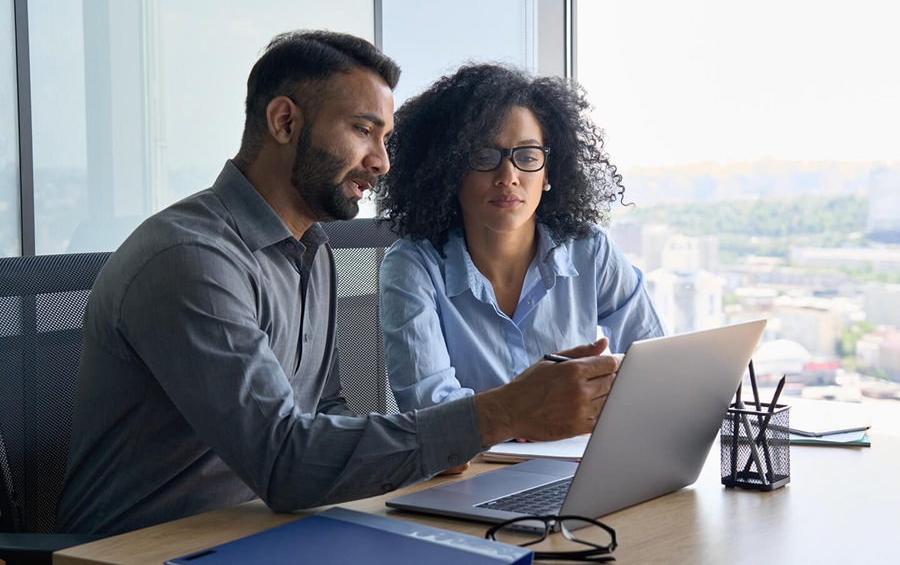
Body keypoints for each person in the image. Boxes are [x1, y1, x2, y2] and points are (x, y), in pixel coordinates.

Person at [55, 31, 621, 536]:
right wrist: (497, 415)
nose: (382, 162)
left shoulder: (312, 251)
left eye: (385, 137)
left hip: (271, 530)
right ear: (284, 122)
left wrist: (438, 441)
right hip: (149, 547)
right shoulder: (191, 260)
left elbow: (323, 413)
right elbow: (284, 462)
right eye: (362, 131)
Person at [377, 63, 665, 418]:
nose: (509, 176)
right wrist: (534, 414)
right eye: (484, 156)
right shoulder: (412, 266)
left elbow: (655, 365)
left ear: (548, 173)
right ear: (450, 169)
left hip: (577, 461)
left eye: (528, 157)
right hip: (472, 469)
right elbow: (431, 411)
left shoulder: (590, 251)